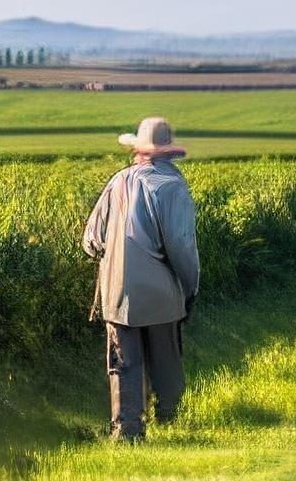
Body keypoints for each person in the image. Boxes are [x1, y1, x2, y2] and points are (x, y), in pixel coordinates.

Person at [82, 116, 200, 442]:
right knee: (166, 359)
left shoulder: (118, 182)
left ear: (138, 150)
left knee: (124, 364)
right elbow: (182, 247)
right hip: (163, 294)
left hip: (119, 293)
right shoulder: (174, 186)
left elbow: (91, 240)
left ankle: (127, 432)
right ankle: (170, 419)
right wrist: (190, 287)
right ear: (168, 153)